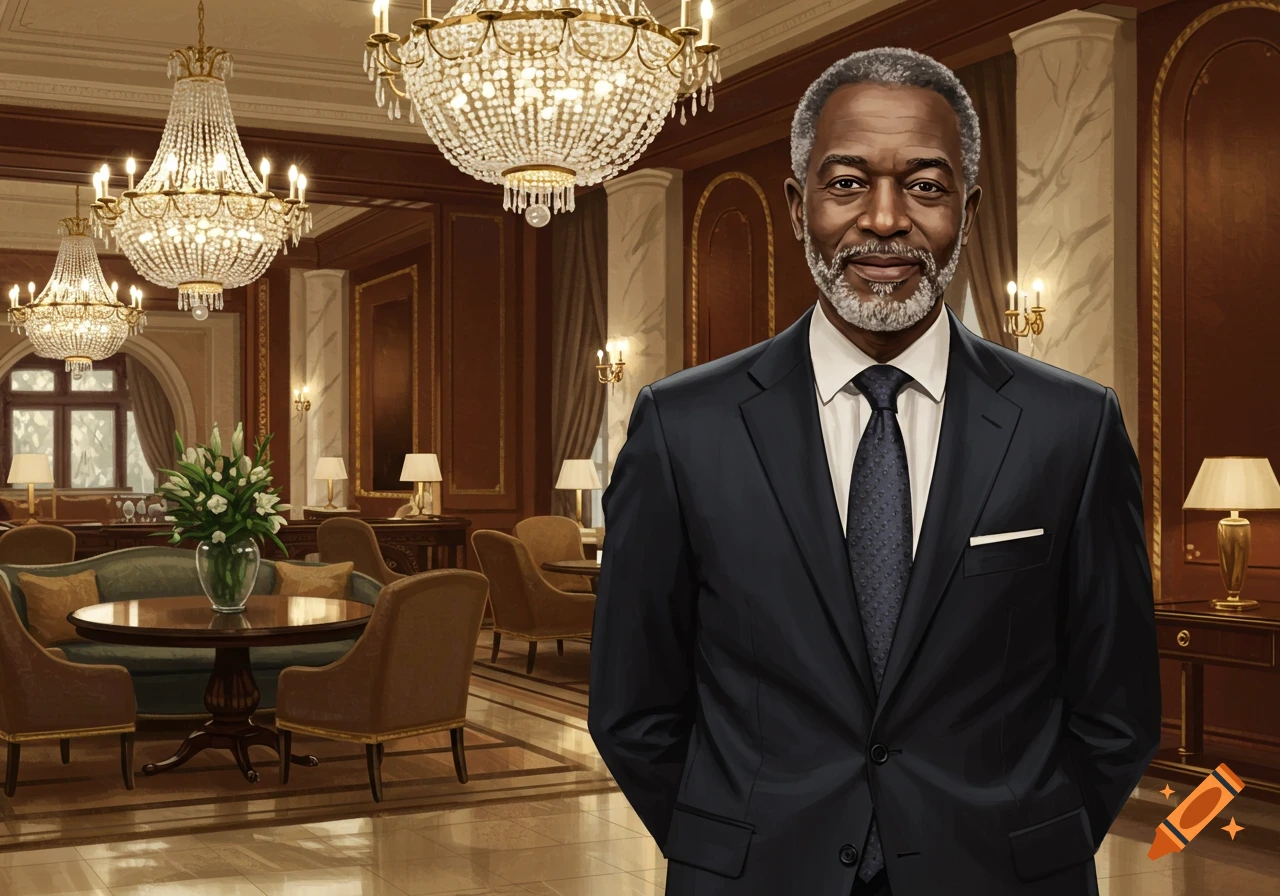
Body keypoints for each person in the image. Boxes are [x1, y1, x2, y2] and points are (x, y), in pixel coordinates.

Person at [588, 46, 1161, 896]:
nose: (885, 220)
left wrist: (1025, 843)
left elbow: (1116, 710)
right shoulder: (684, 427)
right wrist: (733, 848)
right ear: (797, 205)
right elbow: (633, 706)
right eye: (847, 182)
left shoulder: (1070, 427)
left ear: (965, 210)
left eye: (925, 187)